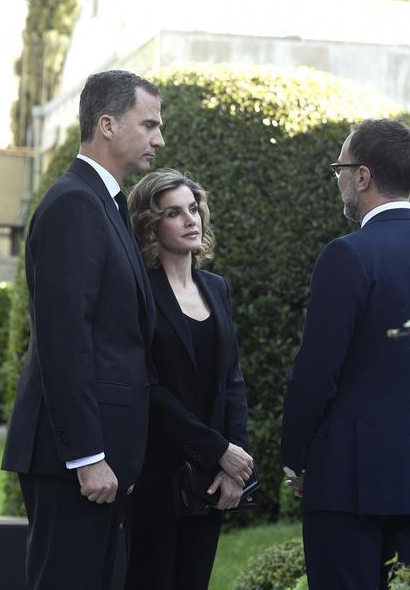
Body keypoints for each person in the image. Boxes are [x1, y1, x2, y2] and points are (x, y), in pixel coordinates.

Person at [1, 70, 166, 590]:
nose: (159, 139)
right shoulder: (74, 203)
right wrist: (88, 457)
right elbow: (63, 339)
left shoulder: (108, 203)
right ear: (108, 125)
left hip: (101, 458)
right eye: (150, 125)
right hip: (71, 461)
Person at [280, 119, 410, 590]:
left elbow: (317, 372)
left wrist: (295, 457)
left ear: (362, 176)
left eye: (340, 168)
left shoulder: (348, 255)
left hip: (344, 478)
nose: (338, 178)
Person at [123, 170, 254, 590]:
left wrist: (236, 465)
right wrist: (217, 450)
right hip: (155, 475)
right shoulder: (139, 289)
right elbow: (148, 386)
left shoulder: (217, 288)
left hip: (210, 478)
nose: (190, 220)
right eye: (174, 213)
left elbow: (231, 380)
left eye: (193, 209)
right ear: (150, 225)